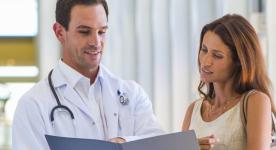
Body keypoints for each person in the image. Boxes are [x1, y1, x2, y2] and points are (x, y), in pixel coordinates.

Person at [12, 0, 163, 149]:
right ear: (59, 32)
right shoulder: (33, 105)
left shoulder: (132, 94)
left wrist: (122, 142)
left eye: (102, 32)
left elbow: (159, 143)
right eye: (84, 32)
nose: (96, 42)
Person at [182, 14, 275, 150]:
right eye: (204, 50)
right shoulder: (193, 110)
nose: (205, 62)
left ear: (239, 61)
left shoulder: (255, 102)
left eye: (217, 56)